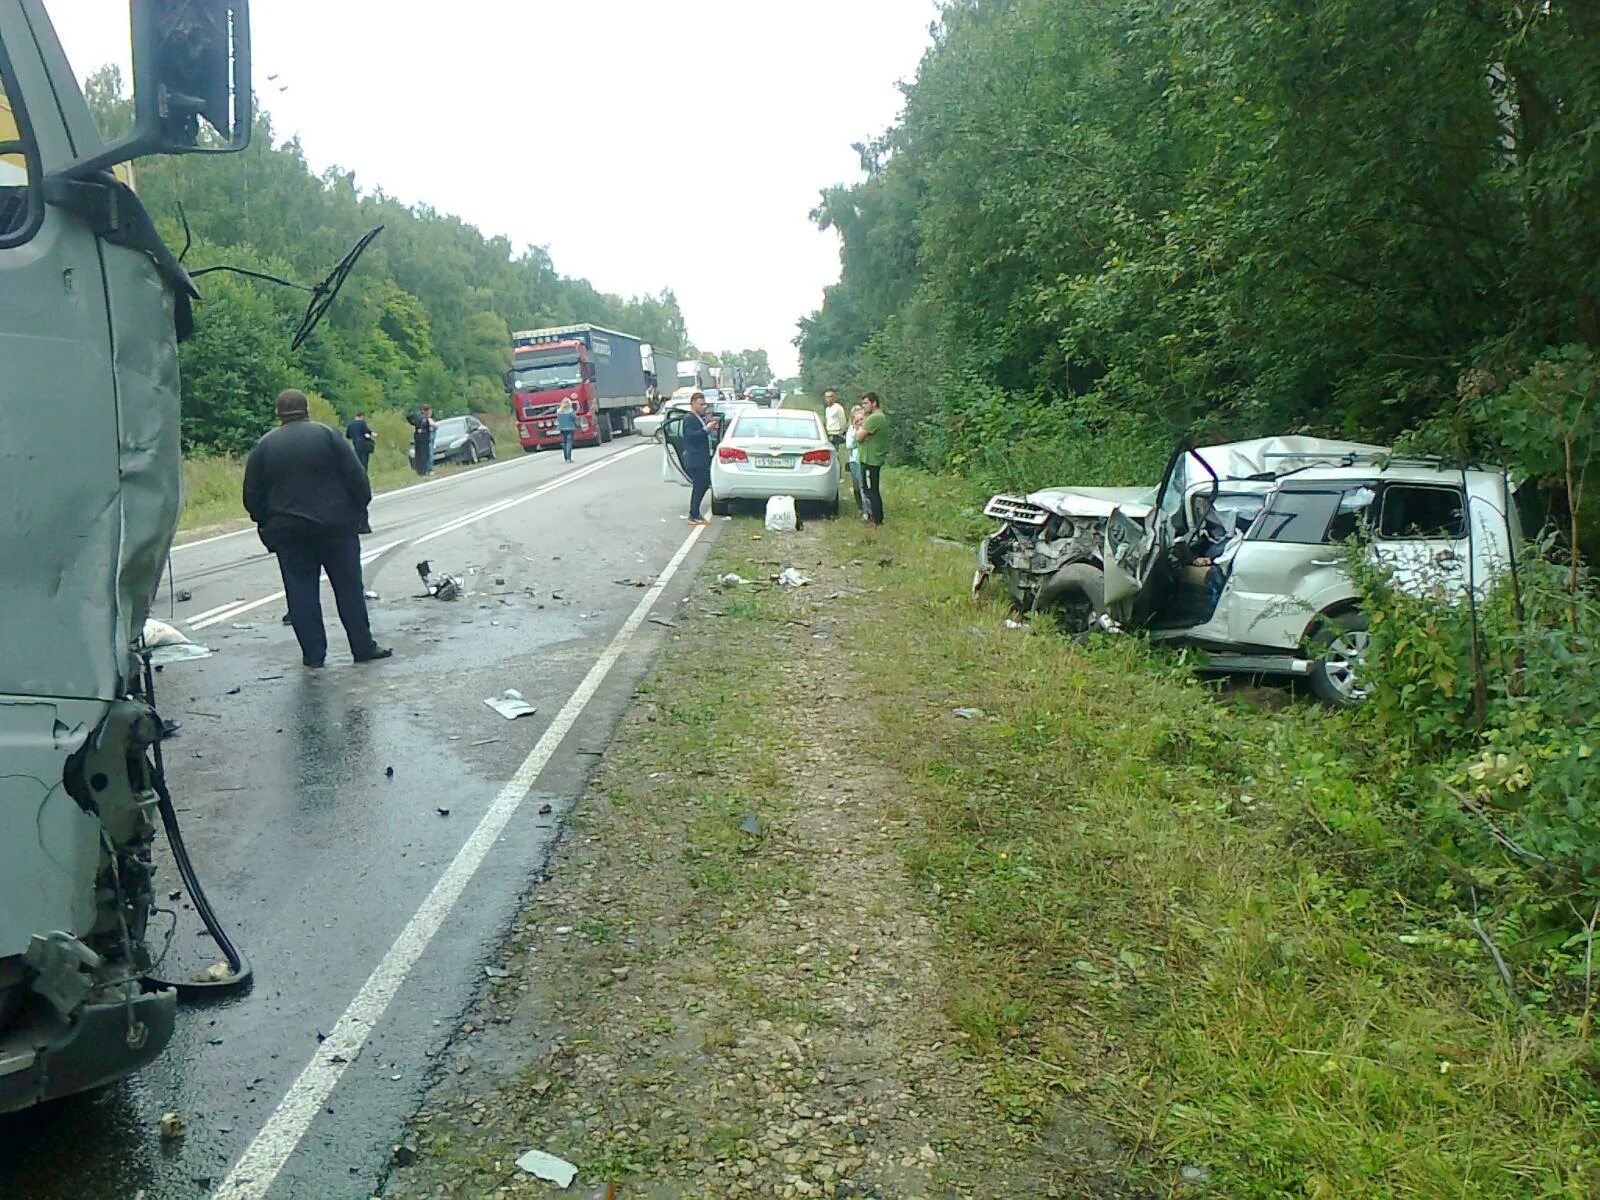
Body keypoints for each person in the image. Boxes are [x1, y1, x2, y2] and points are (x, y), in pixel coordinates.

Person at [243, 389, 393, 669]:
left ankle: (313, 655)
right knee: (349, 588)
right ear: (306, 410)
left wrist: (268, 523)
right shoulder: (328, 435)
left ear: (278, 414)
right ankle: (362, 646)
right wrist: (357, 511)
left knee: (301, 592)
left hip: (289, 531)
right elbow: (357, 478)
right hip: (337, 527)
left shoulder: (264, 446)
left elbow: (252, 495)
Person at [682, 391, 718, 526]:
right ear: (693, 404)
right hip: (695, 458)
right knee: (699, 486)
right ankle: (694, 515)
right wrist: (705, 430)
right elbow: (691, 436)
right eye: (701, 404)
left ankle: (695, 513)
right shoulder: (689, 418)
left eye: (705, 404)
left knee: (703, 484)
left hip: (702, 458)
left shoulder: (699, 418)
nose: (704, 407)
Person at [854, 392, 888, 528]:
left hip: (871, 460)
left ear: (874, 403)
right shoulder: (873, 417)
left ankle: (876, 519)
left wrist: (859, 429)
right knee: (870, 489)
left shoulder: (875, 418)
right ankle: (876, 518)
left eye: (866, 403)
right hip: (868, 457)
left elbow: (858, 437)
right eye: (862, 403)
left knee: (871, 490)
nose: (864, 406)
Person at [844, 403, 866, 514]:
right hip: (854, 460)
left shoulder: (866, 429)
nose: (859, 421)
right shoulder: (851, 430)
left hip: (863, 459)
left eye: (861, 419)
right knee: (856, 485)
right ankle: (860, 506)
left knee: (863, 485)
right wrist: (856, 435)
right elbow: (849, 445)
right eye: (856, 419)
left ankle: (866, 510)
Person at [410, 405, 437, 476]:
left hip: (420, 439)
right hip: (425, 439)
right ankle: (427, 470)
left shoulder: (419, 417)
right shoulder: (425, 419)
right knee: (427, 454)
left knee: (423, 455)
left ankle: (423, 470)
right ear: (427, 411)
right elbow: (434, 425)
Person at [822, 388, 847, 453]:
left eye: (830, 397)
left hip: (836, 432)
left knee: (834, 451)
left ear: (833, 398)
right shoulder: (827, 409)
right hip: (829, 432)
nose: (828, 399)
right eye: (826, 397)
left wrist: (842, 431)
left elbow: (843, 420)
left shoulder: (838, 408)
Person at [556, 397, 578, 462]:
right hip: (570, 429)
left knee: (564, 443)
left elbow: (558, 420)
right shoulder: (571, 411)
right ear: (569, 404)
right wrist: (577, 425)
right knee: (569, 443)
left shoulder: (558, 412)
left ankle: (565, 458)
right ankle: (569, 458)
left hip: (562, 429)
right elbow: (574, 419)